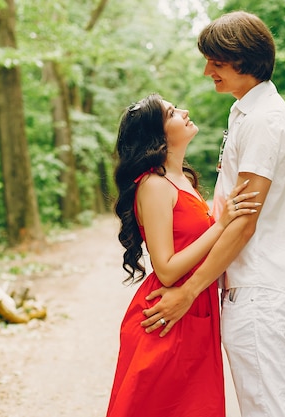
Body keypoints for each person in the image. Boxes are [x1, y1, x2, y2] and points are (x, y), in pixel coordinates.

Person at [140, 11, 285, 417]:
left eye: (216, 60)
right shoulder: (243, 111)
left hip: (257, 286)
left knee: (265, 408)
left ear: (244, 58)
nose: (206, 70)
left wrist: (188, 291)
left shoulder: (265, 120)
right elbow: (227, 210)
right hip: (239, 285)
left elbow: (243, 222)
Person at [106, 93, 259, 417]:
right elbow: (166, 270)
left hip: (191, 310)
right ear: (157, 135)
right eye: (172, 112)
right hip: (165, 316)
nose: (185, 112)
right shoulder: (154, 185)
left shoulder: (183, 181)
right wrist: (222, 224)